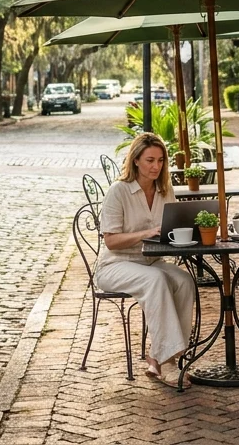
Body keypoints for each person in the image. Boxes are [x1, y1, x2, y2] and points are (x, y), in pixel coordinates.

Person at [94, 133, 196, 387]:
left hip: (150, 262)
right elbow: (111, 241)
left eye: (161, 160)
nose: (156, 166)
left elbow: (170, 231)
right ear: (136, 160)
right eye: (150, 160)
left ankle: (160, 356)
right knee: (157, 280)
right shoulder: (119, 191)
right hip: (115, 265)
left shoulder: (165, 190)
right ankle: (168, 362)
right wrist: (146, 234)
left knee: (184, 280)